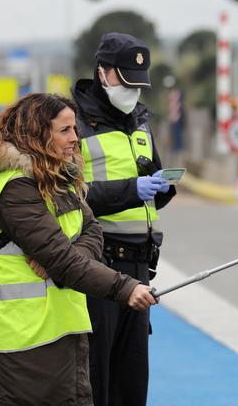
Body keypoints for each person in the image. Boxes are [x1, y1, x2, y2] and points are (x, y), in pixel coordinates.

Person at [0, 93, 157, 405]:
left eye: (75, 129)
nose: (75, 138)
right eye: (65, 130)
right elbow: (61, 258)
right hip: (19, 344)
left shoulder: (57, 178)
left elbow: (92, 231)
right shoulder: (15, 187)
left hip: (61, 333)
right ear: (37, 134)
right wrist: (125, 287)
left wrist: (62, 263)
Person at [72, 32, 177, 406]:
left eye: (137, 84)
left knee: (131, 382)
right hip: (98, 263)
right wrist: (133, 189)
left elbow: (149, 189)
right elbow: (68, 199)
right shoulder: (74, 126)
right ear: (102, 72)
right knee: (96, 378)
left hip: (140, 264)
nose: (131, 91)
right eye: (125, 81)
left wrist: (161, 187)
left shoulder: (140, 122)